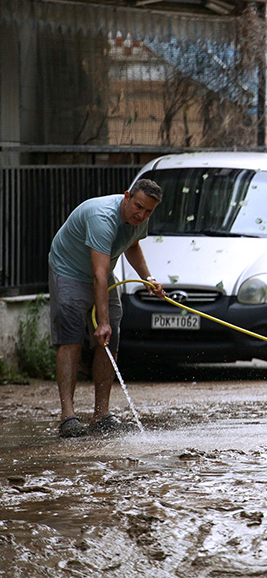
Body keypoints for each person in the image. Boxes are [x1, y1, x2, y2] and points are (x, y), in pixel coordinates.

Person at [48, 179, 165, 438]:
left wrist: (148, 278)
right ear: (126, 197)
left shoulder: (139, 216)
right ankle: (68, 417)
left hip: (99, 273)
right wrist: (101, 323)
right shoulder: (102, 217)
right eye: (138, 207)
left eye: (148, 211)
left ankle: (102, 414)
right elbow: (100, 275)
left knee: (110, 338)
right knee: (72, 340)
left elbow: (132, 245)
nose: (142, 214)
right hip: (68, 270)